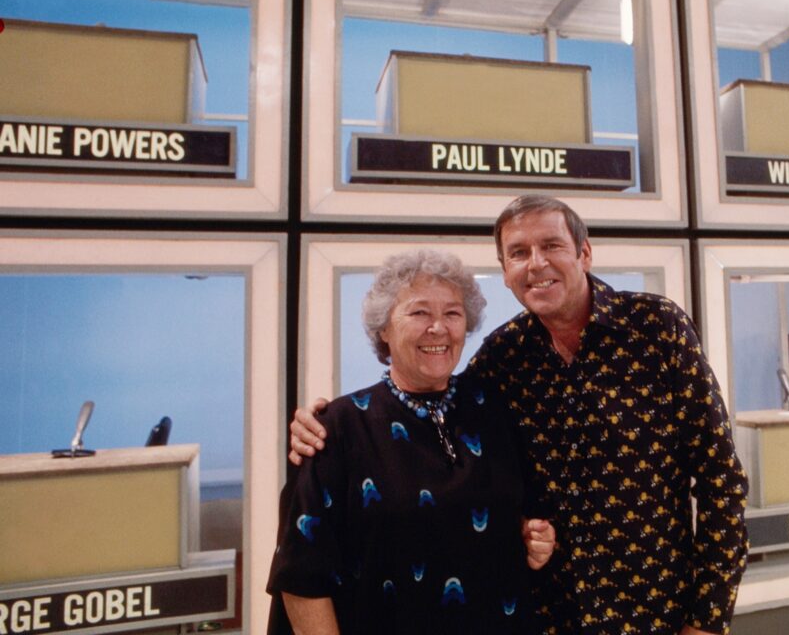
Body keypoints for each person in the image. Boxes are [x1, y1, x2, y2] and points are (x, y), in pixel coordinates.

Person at [290, 195, 749, 635]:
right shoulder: (504, 358)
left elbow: (721, 482)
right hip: (547, 619)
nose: (536, 264)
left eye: (551, 246)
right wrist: (319, 422)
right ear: (506, 272)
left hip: (657, 614)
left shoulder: (655, 327)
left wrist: (707, 620)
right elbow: (423, 392)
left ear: (584, 253)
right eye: (518, 253)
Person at [267, 249, 555, 634]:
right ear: (383, 329)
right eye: (419, 313)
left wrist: (537, 537)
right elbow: (300, 574)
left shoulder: (495, 412)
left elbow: (521, 515)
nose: (438, 328)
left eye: (452, 313)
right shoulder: (337, 429)